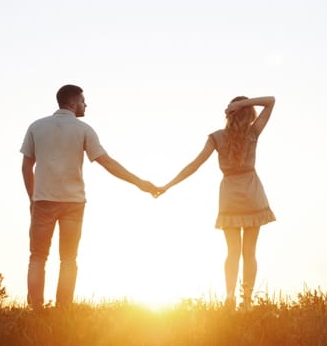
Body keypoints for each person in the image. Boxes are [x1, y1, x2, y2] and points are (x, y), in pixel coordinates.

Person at [20, 84, 157, 309]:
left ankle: (36, 310)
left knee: (37, 257)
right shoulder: (84, 129)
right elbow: (108, 163)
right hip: (73, 203)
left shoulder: (36, 127)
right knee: (69, 259)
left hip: (43, 201)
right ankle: (63, 310)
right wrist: (140, 183)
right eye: (83, 101)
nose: (86, 105)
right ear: (73, 103)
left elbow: (26, 168)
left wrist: (32, 199)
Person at [157, 96, 276, 309]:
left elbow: (194, 165)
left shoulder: (216, 138)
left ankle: (230, 296)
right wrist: (243, 104)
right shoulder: (253, 133)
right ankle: (246, 302)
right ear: (249, 114)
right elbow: (271, 101)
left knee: (232, 252)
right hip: (252, 193)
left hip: (229, 196)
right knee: (250, 252)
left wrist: (168, 185)